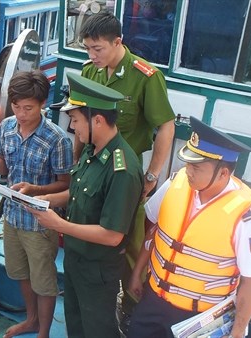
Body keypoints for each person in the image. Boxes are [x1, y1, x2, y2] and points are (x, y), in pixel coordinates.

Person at [78, 11, 176, 326]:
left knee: (130, 243)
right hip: (93, 170)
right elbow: (79, 121)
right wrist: (75, 163)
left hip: (125, 177)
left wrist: (153, 175)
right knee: (88, 230)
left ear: (117, 42)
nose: (92, 56)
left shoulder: (145, 76)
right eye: (87, 49)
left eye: (98, 49)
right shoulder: (89, 72)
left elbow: (166, 126)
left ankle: (132, 307)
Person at [28, 72, 143, 338]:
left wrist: (60, 225)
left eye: (76, 121)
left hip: (97, 271)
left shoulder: (122, 169)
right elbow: (79, 192)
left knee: (97, 331)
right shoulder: (93, 150)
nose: (74, 129)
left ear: (98, 120)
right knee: (76, 326)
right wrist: (48, 200)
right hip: (76, 260)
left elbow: (113, 235)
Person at [127, 117, 251, 338]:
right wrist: (137, 272)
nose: (188, 170)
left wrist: (237, 331)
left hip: (200, 319)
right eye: (188, 163)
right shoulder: (177, 182)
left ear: (223, 173)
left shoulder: (247, 217)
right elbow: (154, 230)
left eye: (197, 167)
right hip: (153, 301)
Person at [0, 70, 73, 338]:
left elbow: (66, 184)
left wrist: (36, 189)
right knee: (20, 273)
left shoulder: (57, 139)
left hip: (40, 223)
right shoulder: (6, 127)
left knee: (44, 281)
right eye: (16, 106)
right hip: (12, 216)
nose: (21, 113)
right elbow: (5, 164)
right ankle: (31, 320)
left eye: (28, 108)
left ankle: (44, 332)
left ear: (42, 104)